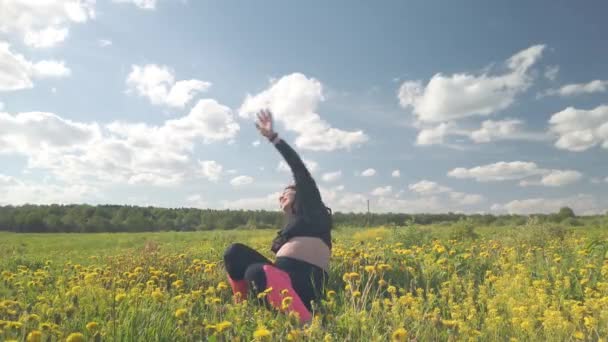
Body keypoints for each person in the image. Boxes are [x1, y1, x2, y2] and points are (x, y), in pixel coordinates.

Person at [223, 109, 332, 324]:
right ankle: (242, 309)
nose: (280, 196)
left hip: (307, 281)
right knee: (234, 252)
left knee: (256, 271)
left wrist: (273, 138)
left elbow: (299, 169)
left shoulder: (312, 209)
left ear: (301, 193)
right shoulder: (289, 227)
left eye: (286, 191)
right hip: (281, 280)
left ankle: (307, 325)